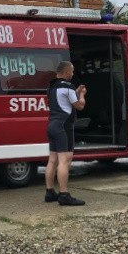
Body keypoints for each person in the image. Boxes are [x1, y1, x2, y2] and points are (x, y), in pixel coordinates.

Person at [44, 61, 87, 206]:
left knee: (52, 160)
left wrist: (75, 92)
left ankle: (49, 192)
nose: (73, 74)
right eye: (72, 71)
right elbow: (79, 106)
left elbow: (61, 100)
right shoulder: (68, 86)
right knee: (65, 160)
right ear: (67, 72)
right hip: (64, 126)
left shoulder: (50, 86)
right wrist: (81, 94)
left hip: (52, 125)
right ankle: (64, 194)